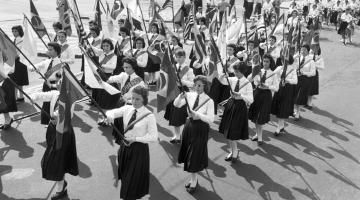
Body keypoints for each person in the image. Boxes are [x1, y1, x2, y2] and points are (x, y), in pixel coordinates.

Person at [105, 86, 158, 200]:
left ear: (144, 99)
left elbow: (154, 137)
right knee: (125, 177)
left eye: (137, 99)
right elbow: (111, 112)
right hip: (125, 148)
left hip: (139, 150)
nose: (134, 101)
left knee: (131, 181)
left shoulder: (149, 115)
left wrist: (136, 139)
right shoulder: (127, 108)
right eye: (133, 98)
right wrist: (109, 116)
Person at [30, 79, 78, 200]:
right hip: (52, 130)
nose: (59, 85)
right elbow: (42, 95)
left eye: (63, 84)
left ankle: (60, 191)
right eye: (59, 83)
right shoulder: (54, 94)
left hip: (63, 132)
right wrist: (33, 97)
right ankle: (62, 184)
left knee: (57, 161)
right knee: (56, 159)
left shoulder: (70, 99)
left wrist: (57, 115)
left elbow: (68, 114)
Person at [175, 75, 215, 193]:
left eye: (199, 85)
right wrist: (179, 97)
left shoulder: (209, 100)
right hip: (189, 126)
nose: (196, 87)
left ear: (205, 86)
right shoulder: (189, 95)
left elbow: (211, 119)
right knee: (188, 152)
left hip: (201, 128)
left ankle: (193, 180)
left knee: (194, 155)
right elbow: (176, 105)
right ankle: (194, 178)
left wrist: (198, 115)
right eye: (195, 85)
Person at [218, 62, 254, 162]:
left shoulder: (247, 83)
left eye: (237, 72)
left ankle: (234, 151)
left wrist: (241, 95)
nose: (235, 73)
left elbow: (251, 99)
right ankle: (234, 150)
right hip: (230, 105)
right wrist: (222, 76)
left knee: (233, 131)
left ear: (242, 71)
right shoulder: (233, 79)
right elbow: (223, 81)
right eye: (234, 71)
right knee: (228, 130)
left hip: (240, 107)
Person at [107, 57, 146, 142]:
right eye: (124, 67)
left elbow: (140, 100)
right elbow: (111, 79)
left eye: (127, 67)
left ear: (133, 67)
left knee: (127, 129)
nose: (125, 69)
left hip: (130, 107)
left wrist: (128, 100)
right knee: (119, 126)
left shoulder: (140, 82)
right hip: (120, 104)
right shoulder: (123, 75)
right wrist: (102, 77)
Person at [164, 48, 195, 144]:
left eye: (180, 57)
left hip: (183, 92)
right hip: (173, 92)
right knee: (174, 115)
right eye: (177, 57)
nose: (178, 59)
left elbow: (192, 84)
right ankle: (177, 135)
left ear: (184, 57)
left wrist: (182, 81)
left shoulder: (189, 69)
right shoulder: (173, 67)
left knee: (181, 115)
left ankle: (182, 133)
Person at [249, 54, 279, 145]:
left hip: (266, 95)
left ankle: (260, 138)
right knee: (255, 116)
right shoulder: (259, 71)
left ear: (270, 63)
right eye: (264, 61)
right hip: (257, 94)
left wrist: (268, 86)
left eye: (267, 61)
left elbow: (276, 88)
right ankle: (258, 134)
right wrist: (256, 78)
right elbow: (252, 81)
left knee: (260, 117)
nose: (265, 63)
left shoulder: (273, 74)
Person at [30, 42, 63, 125]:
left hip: (56, 86)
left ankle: (54, 121)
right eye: (48, 49)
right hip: (46, 85)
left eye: (50, 49)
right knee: (46, 104)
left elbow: (61, 79)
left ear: (56, 51)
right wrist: (34, 68)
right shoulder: (47, 61)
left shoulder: (61, 64)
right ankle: (47, 122)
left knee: (54, 105)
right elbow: (32, 67)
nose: (48, 51)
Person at [91, 38, 118, 125]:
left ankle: (107, 119)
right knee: (100, 99)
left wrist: (103, 65)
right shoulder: (101, 53)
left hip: (108, 78)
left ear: (111, 46)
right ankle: (101, 118)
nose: (105, 47)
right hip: (100, 77)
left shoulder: (114, 56)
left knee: (107, 100)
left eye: (107, 46)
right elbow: (93, 49)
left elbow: (113, 67)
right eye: (104, 45)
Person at [271, 56, 298, 136]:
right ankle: (281, 126)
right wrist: (278, 71)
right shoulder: (280, 67)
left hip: (287, 90)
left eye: (284, 60)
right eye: (282, 60)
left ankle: (279, 127)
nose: (283, 61)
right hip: (279, 89)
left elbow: (295, 81)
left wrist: (287, 80)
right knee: (279, 107)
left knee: (283, 107)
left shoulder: (292, 69)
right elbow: (272, 74)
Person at [294, 44, 316, 120]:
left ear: (308, 51)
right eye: (302, 49)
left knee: (299, 97)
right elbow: (291, 64)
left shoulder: (311, 61)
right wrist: (295, 56)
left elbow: (313, 73)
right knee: (294, 95)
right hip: (296, 78)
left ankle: (297, 112)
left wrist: (304, 73)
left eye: (305, 50)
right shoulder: (298, 58)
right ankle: (295, 110)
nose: (303, 51)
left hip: (304, 80)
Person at [11, 25, 29, 102]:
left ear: (20, 31)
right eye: (13, 31)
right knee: (19, 81)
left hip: (18, 62)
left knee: (15, 81)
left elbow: (17, 53)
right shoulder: (18, 39)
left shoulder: (19, 40)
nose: (14, 33)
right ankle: (21, 97)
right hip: (21, 62)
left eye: (16, 31)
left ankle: (14, 98)